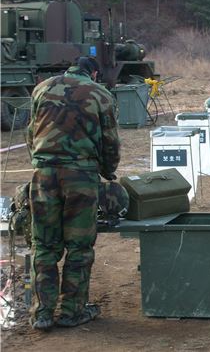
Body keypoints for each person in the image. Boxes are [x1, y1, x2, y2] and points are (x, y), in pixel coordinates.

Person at [27, 56, 120, 331]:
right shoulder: (100, 94)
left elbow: (31, 132)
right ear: (93, 72)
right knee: (78, 247)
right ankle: (71, 312)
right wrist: (107, 171)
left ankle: (42, 313)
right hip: (81, 177)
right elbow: (110, 141)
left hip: (44, 175)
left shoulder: (42, 88)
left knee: (43, 246)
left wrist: (41, 161)